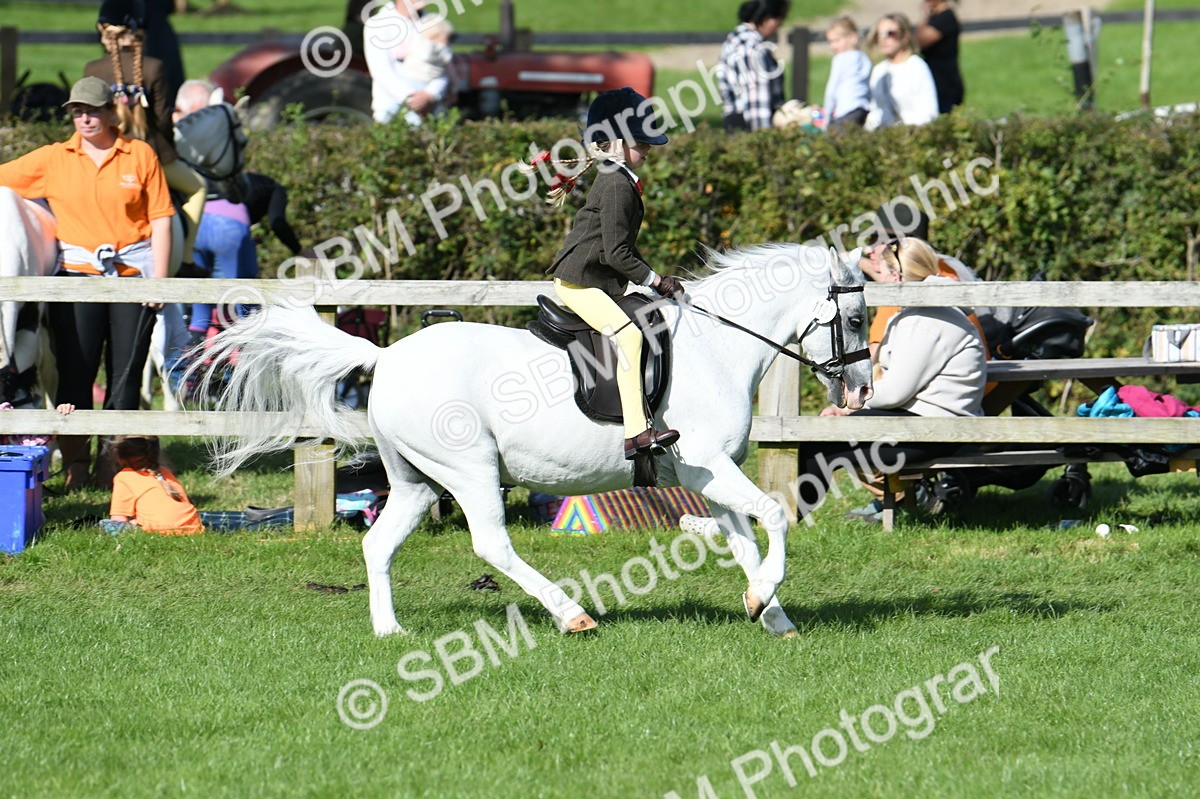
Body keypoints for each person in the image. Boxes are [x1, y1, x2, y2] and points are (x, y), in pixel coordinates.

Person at [0, 76, 174, 488]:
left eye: (92, 110)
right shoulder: (53, 158)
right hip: (77, 279)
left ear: (112, 112)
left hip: (132, 277)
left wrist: (161, 283)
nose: (84, 118)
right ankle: (76, 468)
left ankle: (116, 468)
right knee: (76, 376)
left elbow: (162, 218)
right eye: (77, 111)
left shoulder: (140, 155)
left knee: (126, 378)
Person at [528, 87, 682, 460]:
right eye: (640, 142)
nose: (648, 148)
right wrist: (656, 280)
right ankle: (636, 433)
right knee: (630, 337)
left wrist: (651, 281)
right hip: (579, 283)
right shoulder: (616, 183)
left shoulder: (619, 177)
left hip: (594, 279)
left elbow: (619, 247)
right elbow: (616, 253)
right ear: (613, 143)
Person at [801, 238, 986, 522]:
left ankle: (789, 515)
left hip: (934, 433)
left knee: (819, 444)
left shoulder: (925, 320)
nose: (880, 279)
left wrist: (846, 408)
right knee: (823, 439)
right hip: (927, 423)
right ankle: (790, 511)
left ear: (898, 276)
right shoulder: (923, 312)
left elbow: (896, 392)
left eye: (883, 273)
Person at [84, 0, 206, 270]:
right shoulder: (155, 67)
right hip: (152, 157)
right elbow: (162, 121)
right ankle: (186, 260)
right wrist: (171, 150)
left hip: (105, 157)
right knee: (198, 188)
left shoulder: (93, 69)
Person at [363, 0, 452, 125]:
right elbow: (381, 71)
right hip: (391, 110)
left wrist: (430, 95)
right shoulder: (378, 24)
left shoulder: (434, 23)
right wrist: (413, 100)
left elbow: (443, 67)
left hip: (431, 112)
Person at [718, 0, 791, 132]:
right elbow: (756, 97)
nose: (780, 26)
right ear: (769, 19)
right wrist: (762, 137)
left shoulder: (737, 38)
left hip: (738, 121)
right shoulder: (751, 48)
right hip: (749, 125)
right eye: (781, 20)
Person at [864, 14, 939, 131]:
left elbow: (929, 113)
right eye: (878, 34)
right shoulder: (879, 70)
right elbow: (875, 111)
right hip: (883, 139)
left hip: (912, 136)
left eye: (890, 33)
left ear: (905, 36)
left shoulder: (916, 67)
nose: (883, 39)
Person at [914, 0, 964, 114]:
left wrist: (923, 15)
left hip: (945, 84)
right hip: (936, 80)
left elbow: (919, 42)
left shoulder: (946, 18)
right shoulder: (936, 17)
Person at [822, 16, 871, 129]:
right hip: (863, 108)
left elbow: (832, 89)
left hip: (846, 109)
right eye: (830, 42)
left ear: (853, 38)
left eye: (837, 40)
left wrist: (827, 115)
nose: (833, 46)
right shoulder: (864, 58)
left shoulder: (840, 59)